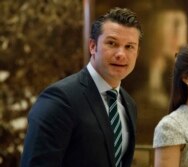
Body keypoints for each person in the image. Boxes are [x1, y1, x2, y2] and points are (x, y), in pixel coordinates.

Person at [20, 7, 142, 167]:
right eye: (112, 43)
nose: (121, 54)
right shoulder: (60, 99)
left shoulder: (129, 104)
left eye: (129, 46)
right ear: (92, 46)